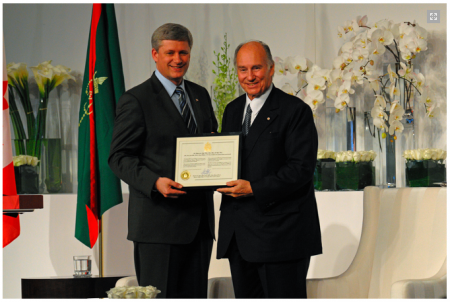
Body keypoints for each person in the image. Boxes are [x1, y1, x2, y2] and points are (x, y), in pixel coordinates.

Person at [108, 23, 217, 298]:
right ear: (155, 54)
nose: (178, 59)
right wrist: (154, 182)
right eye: (170, 52)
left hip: (199, 225)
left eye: (183, 52)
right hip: (158, 227)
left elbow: (212, 144)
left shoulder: (200, 95)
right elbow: (118, 157)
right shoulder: (136, 99)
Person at [216, 41, 322, 298]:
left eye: (256, 68)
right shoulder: (231, 110)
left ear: (271, 68)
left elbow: (301, 169)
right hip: (239, 236)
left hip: (281, 237)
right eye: (243, 69)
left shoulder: (295, 111)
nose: (249, 76)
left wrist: (253, 188)